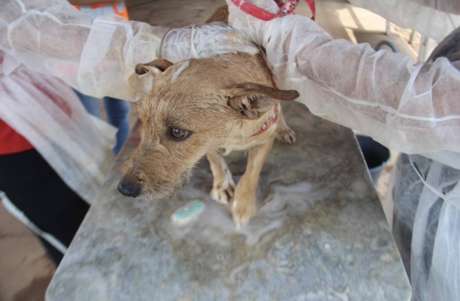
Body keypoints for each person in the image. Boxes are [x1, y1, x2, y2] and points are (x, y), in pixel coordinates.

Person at [2, 0, 460, 299]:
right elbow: (18, 22)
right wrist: (217, 166)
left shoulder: (256, 105)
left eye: (176, 135)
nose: (139, 162)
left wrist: (307, 58)